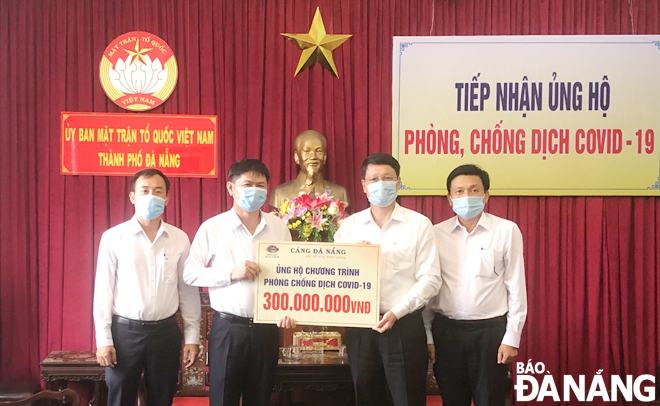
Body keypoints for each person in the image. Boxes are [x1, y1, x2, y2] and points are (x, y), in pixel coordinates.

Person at [183, 159, 296, 406]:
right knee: (224, 398)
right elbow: (190, 273)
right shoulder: (213, 227)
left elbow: (289, 276)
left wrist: (288, 310)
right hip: (228, 329)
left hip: (267, 329)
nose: (254, 190)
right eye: (247, 184)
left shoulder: (278, 227)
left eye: (260, 185)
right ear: (230, 188)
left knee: (261, 397)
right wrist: (230, 274)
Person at [333, 152, 441, 406]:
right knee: (366, 397)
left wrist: (396, 312)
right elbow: (335, 277)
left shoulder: (419, 224)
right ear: (363, 185)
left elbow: (431, 279)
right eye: (374, 178)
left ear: (398, 182)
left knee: (407, 398)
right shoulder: (348, 227)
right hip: (361, 328)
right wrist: (350, 258)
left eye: (387, 177)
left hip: (403, 326)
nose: (381, 183)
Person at [93, 168, 202, 406]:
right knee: (120, 397)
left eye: (158, 191)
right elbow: (103, 291)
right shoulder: (113, 237)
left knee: (162, 398)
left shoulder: (179, 238)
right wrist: (104, 339)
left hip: (166, 334)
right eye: (144, 191)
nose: (151, 196)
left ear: (167, 198)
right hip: (124, 334)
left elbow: (187, 291)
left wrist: (193, 337)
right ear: (132, 196)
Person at [424, 164, 527, 406]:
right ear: (449, 199)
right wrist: (428, 335)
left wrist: (512, 337)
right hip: (446, 333)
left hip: (490, 334)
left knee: (490, 400)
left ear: (486, 195)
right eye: (459, 192)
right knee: (451, 400)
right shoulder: (435, 234)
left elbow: (516, 287)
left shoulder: (506, 231)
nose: (466, 196)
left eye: (474, 190)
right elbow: (428, 289)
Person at [269, 129, 349, 208]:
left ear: (324, 157)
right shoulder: (279, 194)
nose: (313, 157)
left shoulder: (341, 194)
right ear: (297, 157)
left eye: (319, 151)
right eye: (307, 151)